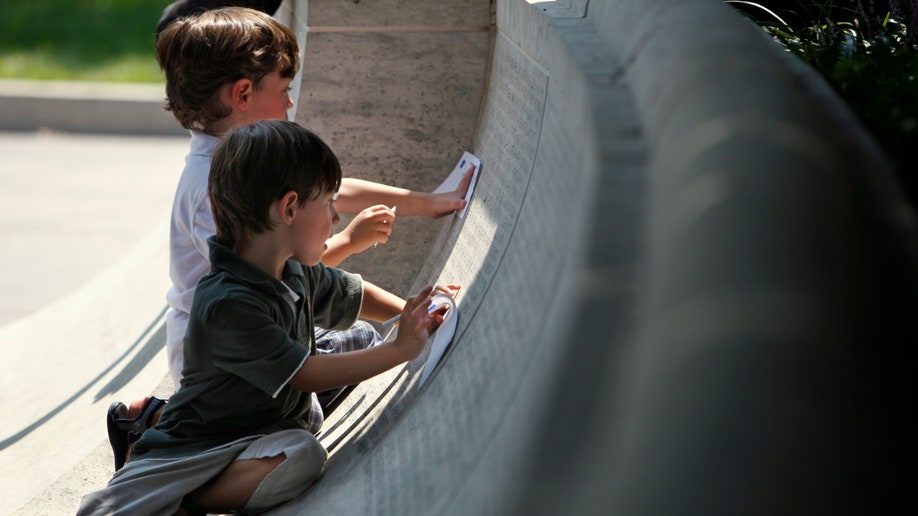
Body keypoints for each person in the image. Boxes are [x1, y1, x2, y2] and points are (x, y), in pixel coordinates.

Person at [106, 5, 472, 471]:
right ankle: (158, 431)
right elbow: (287, 276)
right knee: (298, 435)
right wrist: (352, 246)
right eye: (284, 90)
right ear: (242, 93)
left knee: (357, 339)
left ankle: (171, 424)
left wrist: (424, 203)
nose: (290, 104)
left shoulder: (245, 156)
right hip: (224, 367)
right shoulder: (211, 189)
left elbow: (330, 196)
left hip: (263, 328)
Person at [79, 120, 456, 515]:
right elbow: (306, 373)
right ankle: (188, 496)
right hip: (206, 444)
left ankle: (166, 439)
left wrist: (416, 312)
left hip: (267, 420)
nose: (336, 218)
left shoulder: (289, 266)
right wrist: (401, 349)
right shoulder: (228, 302)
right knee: (303, 455)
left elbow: (351, 294)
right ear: (289, 207)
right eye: (328, 203)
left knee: (359, 337)